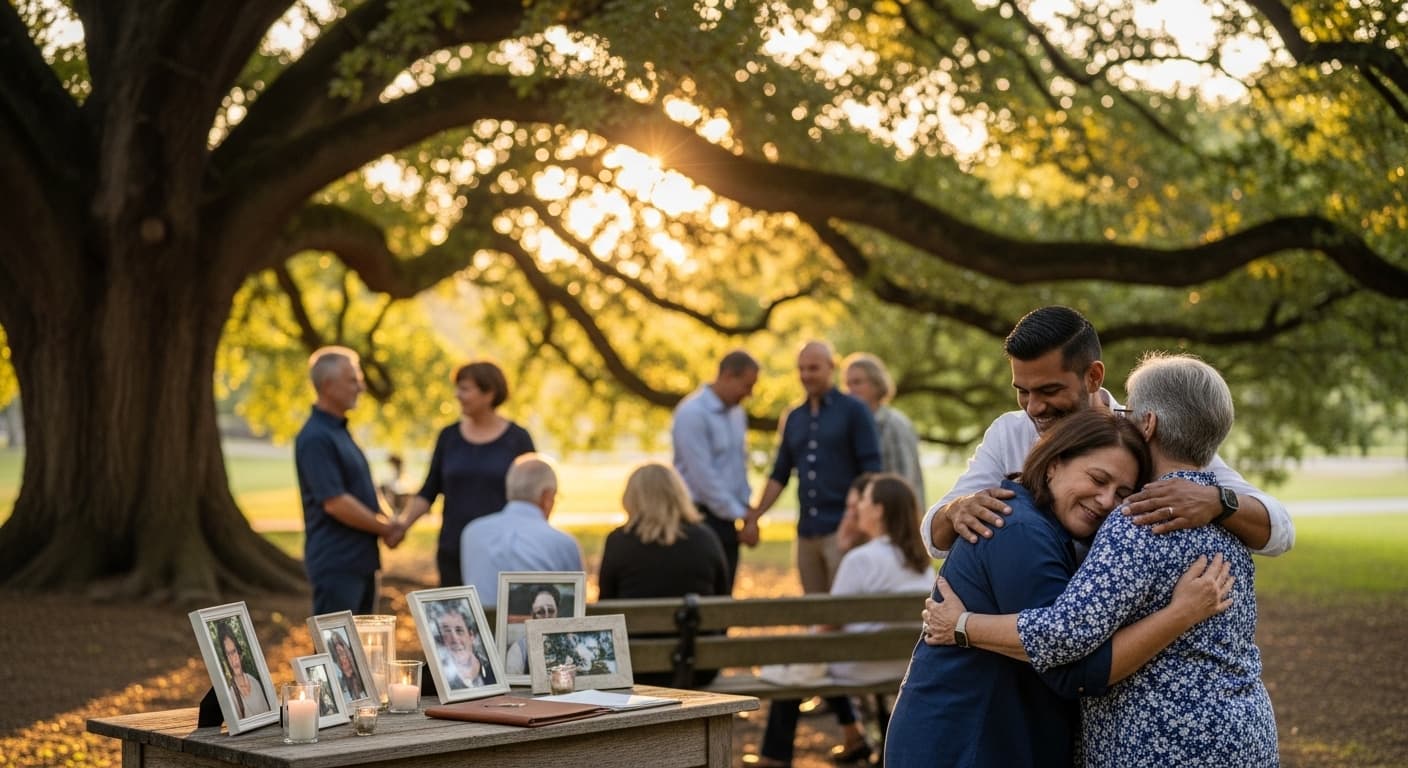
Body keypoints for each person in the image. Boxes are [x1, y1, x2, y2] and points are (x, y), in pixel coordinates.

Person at [921, 353, 1277, 766]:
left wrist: (960, 625)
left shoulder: (1139, 521)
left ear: (1148, 425)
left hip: (1165, 741)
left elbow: (1063, 635)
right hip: (1247, 731)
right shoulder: (1233, 525)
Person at [885, 410, 1233, 768]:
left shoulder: (1048, 527)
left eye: (1122, 493)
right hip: (965, 741)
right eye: (1098, 479)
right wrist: (1181, 614)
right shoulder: (1017, 529)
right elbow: (1073, 671)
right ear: (1053, 464)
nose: (1105, 501)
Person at [921, 306, 1293, 559]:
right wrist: (956, 511)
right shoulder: (1009, 434)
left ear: (1093, 376)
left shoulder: (1150, 431)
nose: (1034, 408)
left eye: (1050, 391)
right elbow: (934, 540)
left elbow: (1280, 531)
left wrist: (1218, 502)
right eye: (1022, 391)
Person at [749, 473, 936, 767]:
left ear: (879, 510)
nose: (858, 507)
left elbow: (828, 627)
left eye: (863, 500)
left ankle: (774, 757)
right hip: (905, 666)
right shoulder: (922, 565)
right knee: (816, 656)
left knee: (799, 662)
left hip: (859, 666)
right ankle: (855, 738)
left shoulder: (861, 560)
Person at [746, 340, 882, 594]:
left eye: (813, 368)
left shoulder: (855, 411)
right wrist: (755, 516)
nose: (806, 375)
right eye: (801, 369)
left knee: (845, 612)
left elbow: (871, 470)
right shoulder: (794, 417)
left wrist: (853, 519)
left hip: (842, 528)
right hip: (806, 531)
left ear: (831, 367)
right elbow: (780, 473)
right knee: (814, 611)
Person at [398, 360, 536, 587]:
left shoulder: (518, 439)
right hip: (454, 550)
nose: (457, 395)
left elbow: (533, 496)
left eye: (465, 389)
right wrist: (401, 527)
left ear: (489, 393)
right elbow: (429, 490)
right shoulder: (448, 437)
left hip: (503, 550)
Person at [598, 462, 731, 686]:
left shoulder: (619, 542)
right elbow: (722, 602)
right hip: (699, 665)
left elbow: (605, 607)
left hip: (633, 666)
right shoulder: (706, 538)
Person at [294, 346, 402, 615]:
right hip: (337, 563)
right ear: (328, 386)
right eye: (353, 380)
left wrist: (389, 521)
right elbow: (335, 502)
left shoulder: (341, 431)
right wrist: (384, 529)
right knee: (335, 651)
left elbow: (362, 489)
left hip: (361, 561)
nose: (361, 387)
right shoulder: (316, 438)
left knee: (359, 651)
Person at [671, 350, 760, 592]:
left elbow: (738, 466)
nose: (749, 394)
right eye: (746, 385)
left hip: (727, 517)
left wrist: (747, 510)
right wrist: (740, 513)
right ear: (728, 375)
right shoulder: (692, 413)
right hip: (697, 516)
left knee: (724, 590)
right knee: (700, 591)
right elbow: (703, 476)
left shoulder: (737, 414)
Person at [459, 453, 583, 607]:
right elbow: (575, 607)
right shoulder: (563, 543)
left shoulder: (472, 533)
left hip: (484, 630)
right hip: (536, 630)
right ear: (547, 495)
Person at [842, 352, 925, 507]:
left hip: (896, 518)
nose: (850, 390)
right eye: (847, 384)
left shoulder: (894, 424)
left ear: (876, 384)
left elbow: (904, 482)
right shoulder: (852, 425)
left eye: (857, 382)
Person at [434, 602, 496, 689]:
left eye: (459, 630)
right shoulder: (439, 680)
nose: (454, 639)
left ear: (472, 636)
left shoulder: (493, 672)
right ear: (442, 640)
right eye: (447, 631)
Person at [216, 620, 270, 719]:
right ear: (226, 659)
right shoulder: (231, 694)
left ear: (240, 653)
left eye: (234, 652)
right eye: (228, 654)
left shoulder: (254, 682)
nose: (233, 659)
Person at [505, 584, 563, 675]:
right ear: (532, 614)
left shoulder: (567, 641)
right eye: (540, 612)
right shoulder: (519, 650)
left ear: (557, 611)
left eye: (551, 611)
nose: (547, 617)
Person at [327, 629, 370, 702]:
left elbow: (347, 655)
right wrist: (343, 662)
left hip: (348, 664)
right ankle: (355, 698)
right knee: (351, 681)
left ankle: (357, 698)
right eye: (333, 639)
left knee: (354, 680)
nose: (335, 640)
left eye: (336, 638)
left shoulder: (344, 646)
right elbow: (338, 659)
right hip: (345, 665)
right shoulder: (336, 650)